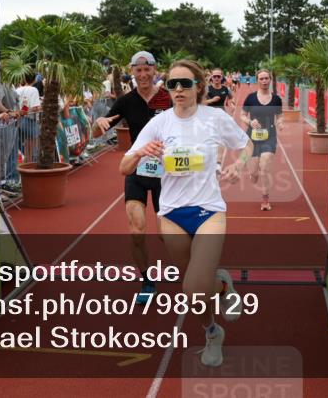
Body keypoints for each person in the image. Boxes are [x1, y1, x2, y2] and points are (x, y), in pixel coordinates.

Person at [121, 59, 253, 367]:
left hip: (209, 210)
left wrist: (239, 165)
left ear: (199, 87)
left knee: (193, 288)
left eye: (185, 83)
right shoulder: (160, 123)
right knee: (197, 292)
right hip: (171, 214)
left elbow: (247, 145)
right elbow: (124, 167)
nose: (179, 89)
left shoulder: (214, 119)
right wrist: (142, 152)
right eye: (172, 84)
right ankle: (213, 325)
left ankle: (218, 288)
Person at [92, 51, 171, 304]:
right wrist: (99, 122)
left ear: (154, 69)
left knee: (166, 233)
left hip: (165, 174)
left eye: (147, 70)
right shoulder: (126, 101)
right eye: (138, 70)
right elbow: (96, 133)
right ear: (132, 72)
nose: (143, 75)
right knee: (136, 229)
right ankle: (147, 280)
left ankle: (193, 264)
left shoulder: (168, 98)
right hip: (137, 169)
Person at [240, 68, 285, 211]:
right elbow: (242, 115)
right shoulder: (251, 98)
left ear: (270, 80)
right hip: (252, 138)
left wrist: (280, 123)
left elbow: (279, 116)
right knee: (253, 173)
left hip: (269, 136)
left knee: (264, 166)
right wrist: (249, 122)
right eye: (261, 79)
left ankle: (265, 199)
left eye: (266, 78)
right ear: (257, 80)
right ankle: (253, 173)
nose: (264, 81)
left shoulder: (276, 99)